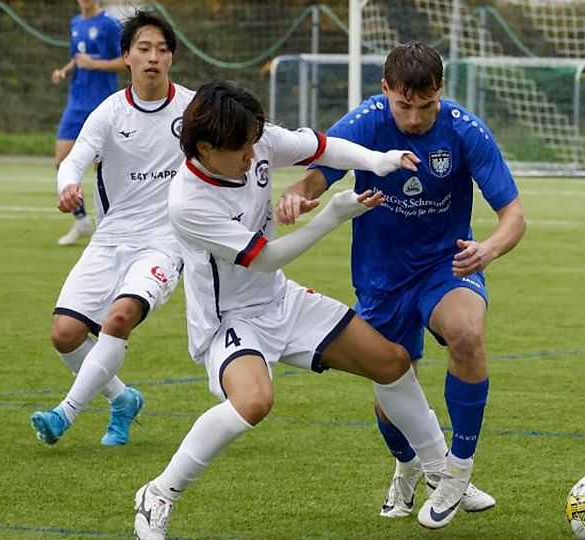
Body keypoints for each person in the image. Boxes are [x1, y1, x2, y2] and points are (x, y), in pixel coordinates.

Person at [133, 80, 469, 539]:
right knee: (254, 401)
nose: (252, 156)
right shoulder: (188, 202)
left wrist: (377, 160)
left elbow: (324, 147)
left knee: (391, 362)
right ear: (205, 148)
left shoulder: (255, 138)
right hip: (230, 321)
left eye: (253, 143)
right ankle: (159, 493)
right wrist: (332, 216)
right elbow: (265, 257)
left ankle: (439, 473)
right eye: (240, 150)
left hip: (281, 300)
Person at [278, 41, 526, 527]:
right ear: (385, 89)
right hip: (381, 278)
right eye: (403, 106)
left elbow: (513, 215)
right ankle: (409, 466)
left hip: (445, 266)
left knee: (467, 333)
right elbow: (317, 175)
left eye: (426, 106)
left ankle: (457, 470)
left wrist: (489, 249)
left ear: (441, 90)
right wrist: (296, 194)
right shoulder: (366, 122)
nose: (414, 119)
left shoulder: (464, 130)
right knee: (392, 381)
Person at [30, 11, 192, 447]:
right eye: (144, 48)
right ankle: (123, 399)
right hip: (110, 239)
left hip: (164, 244)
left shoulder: (195, 110)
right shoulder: (109, 112)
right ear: (126, 57)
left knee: (118, 318)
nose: (153, 57)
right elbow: (73, 161)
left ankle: (64, 414)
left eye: (161, 49)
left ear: (172, 58)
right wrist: (67, 187)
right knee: (65, 334)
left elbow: (248, 137)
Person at [52, 0, 127, 245]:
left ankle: (107, 225)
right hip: (76, 103)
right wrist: (65, 71)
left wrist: (94, 64)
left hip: (102, 103)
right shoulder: (75, 23)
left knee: (102, 168)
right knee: (62, 161)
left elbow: (124, 61)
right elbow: (78, 58)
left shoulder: (110, 24)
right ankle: (82, 220)